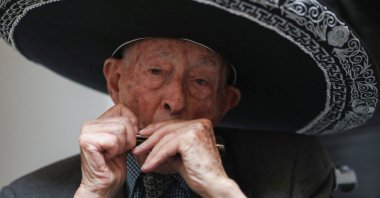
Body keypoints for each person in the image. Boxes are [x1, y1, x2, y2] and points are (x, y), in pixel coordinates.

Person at [0, 37, 335, 198]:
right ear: (117, 81)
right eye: (156, 71)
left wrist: (220, 190)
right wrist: (93, 194)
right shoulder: (27, 194)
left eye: (200, 81)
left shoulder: (294, 172)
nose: (175, 100)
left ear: (225, 102)